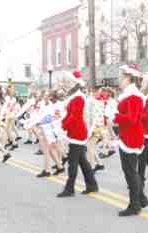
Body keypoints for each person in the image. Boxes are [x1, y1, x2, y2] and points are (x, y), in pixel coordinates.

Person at [105, 64, 148, 216]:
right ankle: (141, 199)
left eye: (120, 77)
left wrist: (114, 116)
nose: (118, 79)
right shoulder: (129, 94)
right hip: (128, 134)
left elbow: (132, 118)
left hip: (131, 136)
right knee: (130, 170)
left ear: (128, 78)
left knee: (130, 172)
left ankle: (135, 205)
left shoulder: (133, 95)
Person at [57, 70, 98, 198]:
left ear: (75, 83)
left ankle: (70, 188)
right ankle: (92, 185)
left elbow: (74, 117)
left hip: (78, 133)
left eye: (70, 82)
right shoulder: (74, 96)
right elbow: (70, 115)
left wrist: (63, 125)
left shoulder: (79, 97)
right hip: (75, 131)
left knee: (72, 162)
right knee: (82, 161)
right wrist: (62, 122)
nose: (68, 84)